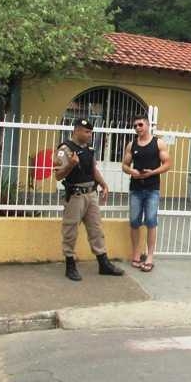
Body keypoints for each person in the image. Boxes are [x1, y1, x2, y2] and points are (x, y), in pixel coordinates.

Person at [54, 118, 124, 281]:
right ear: (76, 131)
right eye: (87, 132)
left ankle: (103, 263)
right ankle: (70, 265)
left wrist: (104, 184)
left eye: (91, 132)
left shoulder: (88, 149)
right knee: (70, 231)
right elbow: (58, 175)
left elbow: (93, 169)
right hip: (75, 196)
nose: (90, 135)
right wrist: (70, 165)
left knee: (96, 229)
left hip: (91, 194)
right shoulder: (65, 149)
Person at [121, 114, 171, 272]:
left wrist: (152, 172)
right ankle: (136, 254)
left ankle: (149, 257)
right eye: (135, 125)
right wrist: (132, 171)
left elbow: (168, 164)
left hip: (152, 189)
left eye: (140, 124)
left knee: (151, 222)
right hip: (135, 189)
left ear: (148, 125)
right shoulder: (132, 145)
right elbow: (124, 165)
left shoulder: (158, 143)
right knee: (134, 222)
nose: (137, 128)